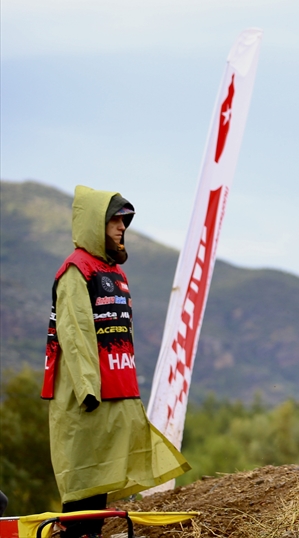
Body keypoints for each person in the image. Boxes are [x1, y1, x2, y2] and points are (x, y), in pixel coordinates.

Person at [42, 185, 188, 537]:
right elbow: (75, 334)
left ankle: (89, 532)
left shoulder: (115, 274)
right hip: (85, 397)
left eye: (125, 220)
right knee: (84, 475)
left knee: (103, 472)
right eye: (115, 220)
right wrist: (87, 389)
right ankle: (75, 533)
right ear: (96, 223)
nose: (122, 227)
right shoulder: (76, 270)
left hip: (118, 391)